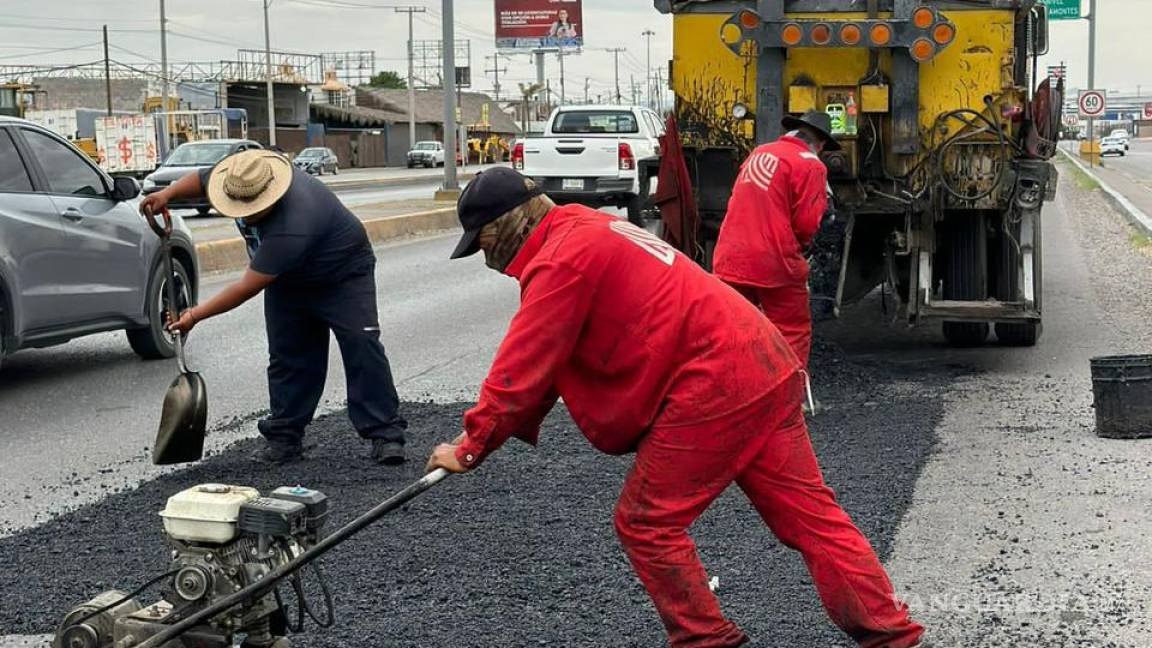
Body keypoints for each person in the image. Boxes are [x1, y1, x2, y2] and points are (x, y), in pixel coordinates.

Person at [425, 167, 923, 648]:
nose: (486, 256)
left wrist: (471, 446)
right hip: (762, 361)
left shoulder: (561, 259)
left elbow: (524, 362)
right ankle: (889, 633)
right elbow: (552, 360)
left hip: (716, 383)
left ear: (509, 224)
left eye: (483, 241)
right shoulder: (586, 226)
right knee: (811, 518)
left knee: (646, 521)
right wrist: (493, 433)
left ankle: (703, 637)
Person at [139, 150, 409, 465]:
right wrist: (166, 194)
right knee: (288, 354)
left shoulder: (294, 222)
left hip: (342, 272)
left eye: (251, 208)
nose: (243, 213)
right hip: (287, 279)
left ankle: (385, 434)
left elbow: (246, 287)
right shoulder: (239, 177)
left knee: (361, 345)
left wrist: (195, 315)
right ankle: (284, 437)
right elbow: (201, 179)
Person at [712, 111, 838, 370]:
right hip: (774, 261)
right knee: (791, 329)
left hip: (729, 257)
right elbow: (805, 224)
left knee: (735, 328)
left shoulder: (759, 152)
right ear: (821, 144)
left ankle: (737, 392)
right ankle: (788, 400)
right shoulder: (811, 165)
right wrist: (802, 251)